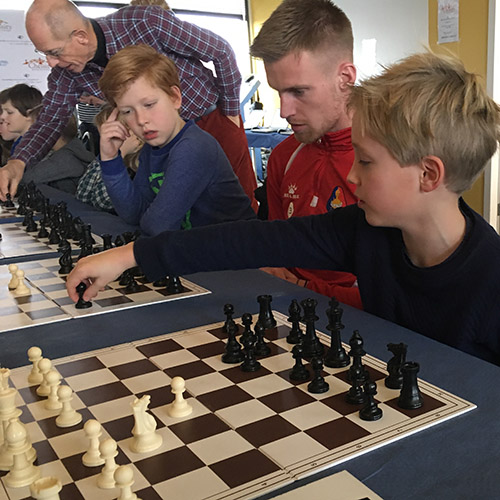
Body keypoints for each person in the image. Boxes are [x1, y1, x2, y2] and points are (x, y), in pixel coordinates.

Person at [67, 51, 500, 365]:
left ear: (428, 175)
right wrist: (126, 257)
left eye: (365, 162)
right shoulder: (361, 230)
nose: (352, 178)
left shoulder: (491, 282)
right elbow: (248, 240)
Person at [0, 0, 258, 212]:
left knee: (239, 207)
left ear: (80, 37)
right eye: (44, 53)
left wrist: (231, 114)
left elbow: (220, 51)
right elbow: (48, 122)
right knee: (185, 218)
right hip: (158, 145)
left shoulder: (145, 22)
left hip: (211, 123)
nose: (51, 63)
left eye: (54, 52)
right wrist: (19, 162)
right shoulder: (67, 74)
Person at [250, 0, 361, 308]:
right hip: (291, 315)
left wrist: (303, 287)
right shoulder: (284, 156)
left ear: (345, 78)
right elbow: (276, 249)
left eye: (298, 92)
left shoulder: (390, 163)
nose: (284, 111)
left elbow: (404, 299)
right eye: (278, 92)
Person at [94, 45, 255, 235]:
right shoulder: (152, 149)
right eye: (127, 111)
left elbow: (157, 226)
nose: (141, 120)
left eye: (149, 104)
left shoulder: (193, 147)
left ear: (175, 97)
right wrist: (110, 158)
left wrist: (148, 215)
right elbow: (133, 214)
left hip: (237, 257)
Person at [76, 106, 143, 213]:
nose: (104, 143)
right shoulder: (105, 155)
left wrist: (118, 156)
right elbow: (82, 196)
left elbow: (102, 203)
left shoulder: (137, 167)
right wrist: (106, 158)